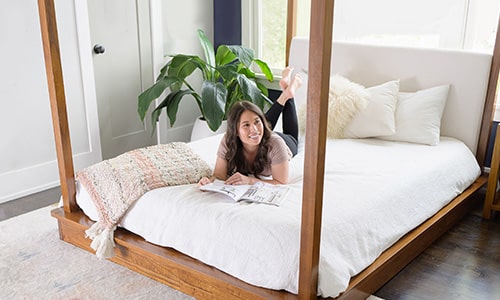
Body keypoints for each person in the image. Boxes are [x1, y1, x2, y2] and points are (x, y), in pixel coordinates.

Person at [198, 67, 302, 186]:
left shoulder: (276, 144)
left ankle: (288, 94)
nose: (254, 128)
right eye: (246, 125)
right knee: (257, 124)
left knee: (291, 135)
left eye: (257, 122)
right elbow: (219, 176)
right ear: (235, 131)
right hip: (262, 136)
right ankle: (286, 91)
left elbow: (281, 182)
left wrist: (250, 181)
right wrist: (208, 181)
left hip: (284, 141)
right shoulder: (228, 141)